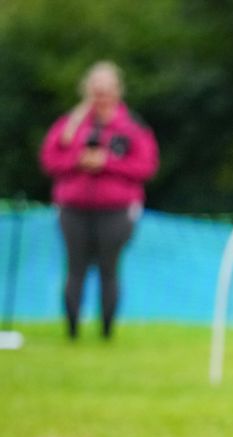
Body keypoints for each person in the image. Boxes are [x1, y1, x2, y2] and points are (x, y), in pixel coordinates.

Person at [39, 61, 158, 339]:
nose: (100, 96)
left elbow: (146, 166)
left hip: (116, 211)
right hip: (73, 209)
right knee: (75, 269)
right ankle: (72, 331)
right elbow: (49, 160)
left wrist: (107, 163)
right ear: (87, 91)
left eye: (106, 90)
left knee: (109, 270)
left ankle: (107, 331)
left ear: (117, 91)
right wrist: (77, 160)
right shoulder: (69, 126)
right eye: (96, 90)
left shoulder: (132, 127)